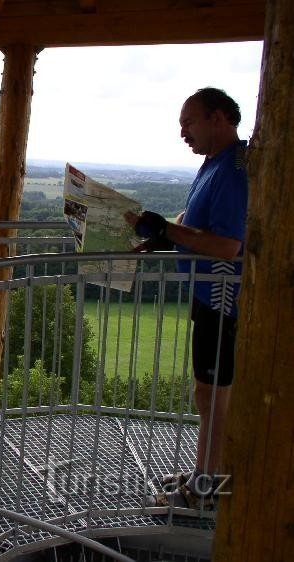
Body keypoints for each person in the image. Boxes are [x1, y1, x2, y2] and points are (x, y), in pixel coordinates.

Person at [125, 87, 248, 510]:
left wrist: (165, 229)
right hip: (212, 295)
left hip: (222, 296)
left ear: (218, 118)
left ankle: (206, 489)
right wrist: (162, 235)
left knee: (213, 395)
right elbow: (193, 224)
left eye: (188, 123)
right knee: (207, 394)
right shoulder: (216, 163)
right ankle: (206, 474)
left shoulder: (234, 168)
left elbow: (229, 245)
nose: (182, 133)